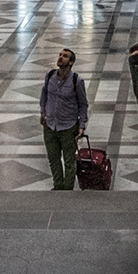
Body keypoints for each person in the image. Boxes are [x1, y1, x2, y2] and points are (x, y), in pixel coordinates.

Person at [39, 48, 89, 191]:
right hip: (50, 125)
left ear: (71, 62)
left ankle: (67, 190)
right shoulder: (50, 76)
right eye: (60, 55)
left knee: (69, 161)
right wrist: (43, 111)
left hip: (68, 126)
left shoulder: (77, 81)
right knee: (53, 159)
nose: (61, 57)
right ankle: (58, 187)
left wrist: (81, 125)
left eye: (65, 56)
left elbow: (83, 104)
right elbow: (44, 93)